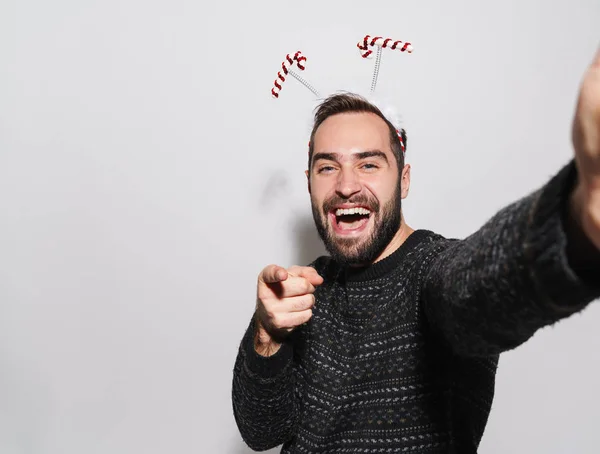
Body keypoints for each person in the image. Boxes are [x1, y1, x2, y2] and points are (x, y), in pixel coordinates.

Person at [231, 48, 600, 453]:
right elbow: (261, 432)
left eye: (369, 164)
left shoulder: (433, 270)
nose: (346, 185)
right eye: (327, 167)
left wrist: (575, 219)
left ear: (403, 179)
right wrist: (269, 334)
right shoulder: (301, 291)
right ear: (309, 182)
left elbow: (478, 285)